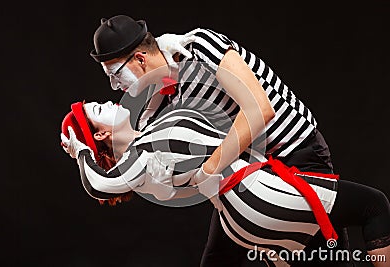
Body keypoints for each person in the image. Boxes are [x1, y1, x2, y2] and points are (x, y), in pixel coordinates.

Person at [62, 14, 362, 266]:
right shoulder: (157, 103)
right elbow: (138, 157)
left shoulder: (201, 47)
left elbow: (259, 110)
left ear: (139, 58)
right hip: (251, 178)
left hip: (297, 154)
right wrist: (87, 151)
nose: (115, 87)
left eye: (115, 74)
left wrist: (209, 168)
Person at [61, 100, 390, 267]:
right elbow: (98, 185)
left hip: (243, 206)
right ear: (101, 134)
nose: (113, 102)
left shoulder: (146, 130)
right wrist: (81, 151)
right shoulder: (141, 158)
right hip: (256, 194)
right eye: (100, 108)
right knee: (374, 207)